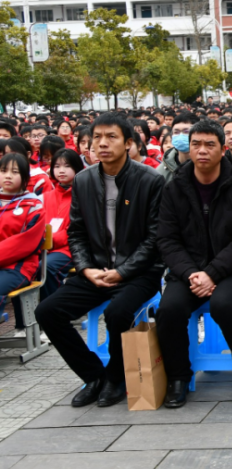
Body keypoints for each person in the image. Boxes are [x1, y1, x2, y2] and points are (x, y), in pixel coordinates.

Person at [36, 113, 165, 408]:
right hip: (94, 270)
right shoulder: (83, 180)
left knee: (118, 313)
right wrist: (85, 268)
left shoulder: (150, 180)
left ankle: (117, 379)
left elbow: (155, 238)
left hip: (139, 272)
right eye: (97, 138)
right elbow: (77, 231)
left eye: (111, 137)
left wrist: (122, 272)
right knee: (47, 311)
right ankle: (94, 375)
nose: (102, 144)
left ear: (129, 143)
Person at [155, 121, 232, 409]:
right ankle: (178, 377)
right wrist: (193, 273)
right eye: (196, 144)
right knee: (169, 309)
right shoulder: (175, 187)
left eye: (209, 145)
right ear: (188, 148)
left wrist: (213, 273)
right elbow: (166, 239)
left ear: (223, 150)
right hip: (188, 270)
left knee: (223, 304)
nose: (202, 150)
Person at [0, 154, 46, 335]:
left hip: (18, 268)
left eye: (15, 172)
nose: (8, 176)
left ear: (25, 177)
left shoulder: (33, 205)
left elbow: (25, 243)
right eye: (3, 171)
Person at [41, 149, 85, 300]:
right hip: (44, 247)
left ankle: (53, 310)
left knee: (46, 268)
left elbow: (78, 231)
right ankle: (25, 320)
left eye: (66, 166)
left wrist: (48, 240)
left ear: (77, 167)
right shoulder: (45, 197)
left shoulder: (84, 195)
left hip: (72, 248)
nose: (61, 171)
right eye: (57, 166)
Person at [157, 112, 198, 185]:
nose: (181, 136)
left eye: (186, 131)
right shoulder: (162, 169)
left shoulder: (208, 165)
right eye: (176, 132)